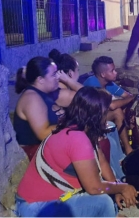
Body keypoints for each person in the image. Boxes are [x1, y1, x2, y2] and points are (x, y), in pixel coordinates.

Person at [15, 87, 138, 217]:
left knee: (107, 196)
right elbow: (94, 187)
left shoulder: (77, 129)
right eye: (105, 112)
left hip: (41, 203)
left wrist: (116, 188)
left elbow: (102, 162)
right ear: (97, 114)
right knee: (103, 202)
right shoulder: (78, 139)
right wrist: (123, 188)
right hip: (36, 208)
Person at [49, 50, 126, 179]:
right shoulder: (65, 94)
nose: (79, 73)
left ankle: (120, 164)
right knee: (109, 141)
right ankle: (118, 177)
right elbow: (93, 95)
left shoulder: (65, 90)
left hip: (72, 131)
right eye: (77, 70)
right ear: (69, 73)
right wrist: (69, 80)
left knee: (110, 126)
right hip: (71, 137)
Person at [14, 56, 82, 160]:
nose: (58, 78)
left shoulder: (48, 93)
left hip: (50, 146)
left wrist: (69, 81)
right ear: (40, 79)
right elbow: (43, 134)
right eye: (53, 75)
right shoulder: (32, 98)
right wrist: (72, 123)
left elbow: (87, 97)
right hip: (35, 153)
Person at [83, 56, 134, 155]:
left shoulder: (109, 83)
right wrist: (129, 99)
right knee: (118, 112)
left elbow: (127, 95)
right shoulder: (92, 83)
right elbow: (112, 106)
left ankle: (134, 142)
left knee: (127, 110)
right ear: (103, 74)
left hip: (100, 115)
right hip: (88, 120)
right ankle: (128, 149)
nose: (116, 72)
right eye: (112, 71)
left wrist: (128, 101)